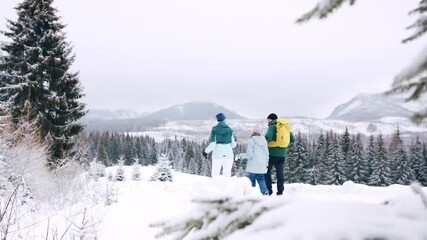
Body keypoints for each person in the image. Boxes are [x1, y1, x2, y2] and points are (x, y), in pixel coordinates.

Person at [265, 113, 295, 195]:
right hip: (282, 155)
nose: (267, 121)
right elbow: (292, 139)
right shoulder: (285, 127)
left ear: (272, 119)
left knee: (266, 172)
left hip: (271, 154)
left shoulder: (272, 126)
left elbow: (268, 137)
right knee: (280, 174)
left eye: (268, 119)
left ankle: (268, 190)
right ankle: (280, 191)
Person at [203, 113, 237, 177]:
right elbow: (233, 145)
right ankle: (226, 187)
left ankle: (215, 186)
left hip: (217, 155)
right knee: (227, 175)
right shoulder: (230, 130)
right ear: (224, 119)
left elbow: (212, 144)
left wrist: (205, 151)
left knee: (215, 175)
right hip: (228, 155)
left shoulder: (214, 130)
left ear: (217, 120)